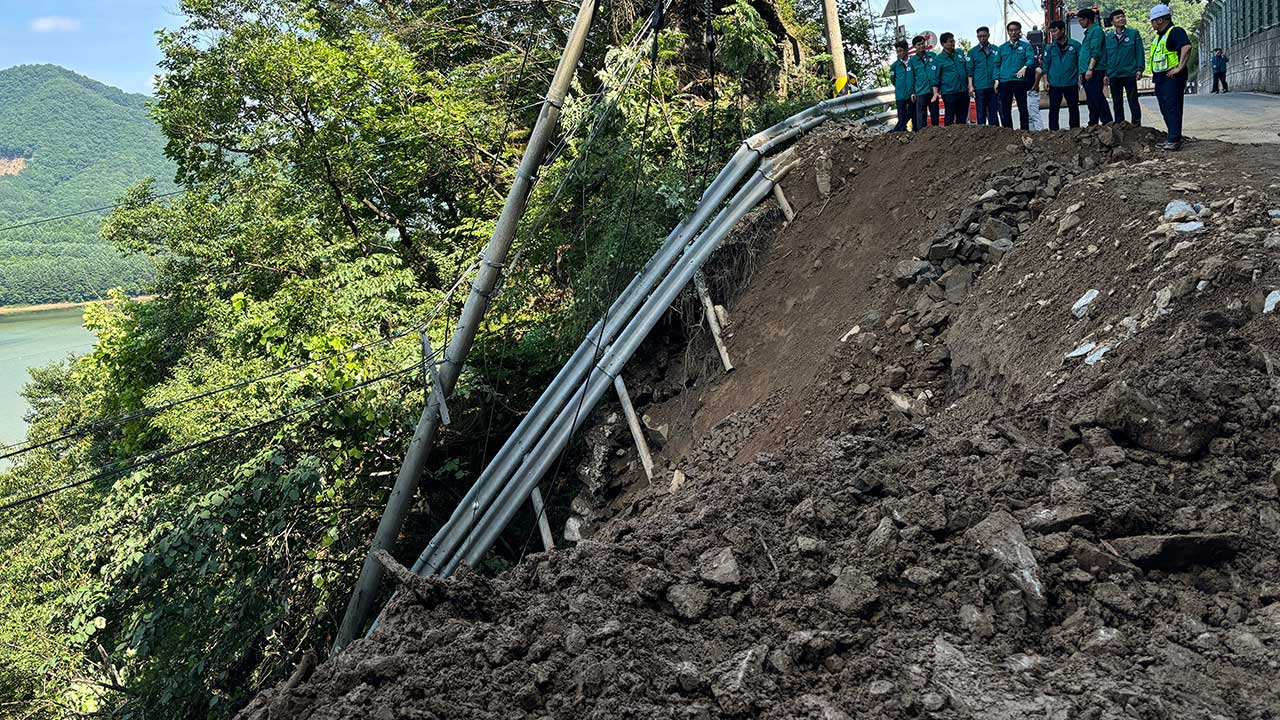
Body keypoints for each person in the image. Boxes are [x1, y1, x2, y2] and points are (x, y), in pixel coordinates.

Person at [1148, 3, 1192, 150]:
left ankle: (1174, 140)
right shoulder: (1160, 36)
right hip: (1161, 78)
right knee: (1165, 108)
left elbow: (1186, 47)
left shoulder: (1175, 31)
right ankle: (1172, 137)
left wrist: (1179, 67)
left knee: (1172, 107)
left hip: (1172, 78)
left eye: (1153, 20)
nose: (1152, 24)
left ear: (1160, 20)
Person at [1104, 9, 1144, 125]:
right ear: (1112, 22)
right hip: (1114, 74)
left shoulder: (1133, 34)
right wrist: (1106, 74)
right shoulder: (1108, 38)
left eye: (1122, 17)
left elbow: (1139, 52)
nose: (1121, 19)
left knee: (1133, 100)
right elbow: (1106, 56)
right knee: (1117, 102)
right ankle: (1119, 124)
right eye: (1118, 18)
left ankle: (1136, 125)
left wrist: (1140, 68)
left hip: (1129, 73)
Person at [1042, 21, 1082, 130]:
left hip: (1071, 82)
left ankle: (1075, 130)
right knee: (1054, 109)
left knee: (1073, 108)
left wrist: (1080, 77)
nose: (1053, 34)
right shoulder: (1049, 48)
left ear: (1063, 30)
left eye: (1055, 31)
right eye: (1051, 32)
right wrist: (1045, 81)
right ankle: (1053, 132)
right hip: (1054, 83)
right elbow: (1045, 66)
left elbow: (1080, 63)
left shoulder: (1075, 45)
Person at [996, 21, 1036, 130]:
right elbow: (996, 64)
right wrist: (996, 79)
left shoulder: (1026, 46)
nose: (1013, 32)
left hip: (1019, 81)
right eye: (1011, 30)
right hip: (1005, 81)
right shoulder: (1002, 48)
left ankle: (1024, 130)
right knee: (1005, 108)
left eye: (1016, 30)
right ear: (1008, 32)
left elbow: (1031, 59)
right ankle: (1008, 131)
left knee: (1022, 107)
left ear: (1019, 31)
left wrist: (1025, 67)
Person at [1077, 8, 1113, 126]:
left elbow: (1095, 52)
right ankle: (1093, 122)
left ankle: (1107, 120)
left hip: (1094, 70)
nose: (1080, 23)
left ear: (1087, 19)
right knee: (1091, 98)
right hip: (1086, 71)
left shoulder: (1096, 31)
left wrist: (1090, 69)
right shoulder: (1089, 32)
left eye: (1081, 20)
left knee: (1096, 95)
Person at [931, 32, 970, 125]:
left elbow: (966, 68)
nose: (953, 43)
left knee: (962, 117)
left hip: (963, 91)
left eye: (953, 41)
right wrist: (935, 93)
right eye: (950, 41)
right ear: (943, 44)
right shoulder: (939, 59)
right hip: (949, 92)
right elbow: (935, 77)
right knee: (949, 117)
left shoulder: (959, 53)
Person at [968, 26, 1000, 126]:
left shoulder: (996, 49)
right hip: (979, 86)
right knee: (980, 113)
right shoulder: (972, 52)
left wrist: (997, 80)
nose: (982, 39)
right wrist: (970, 86)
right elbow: (970, 71)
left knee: (993, 113)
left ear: (988, 35)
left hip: (993, 86)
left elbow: (999, 66)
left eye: (984, 36)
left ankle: (995, 134)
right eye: (979, 36)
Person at [909, 36, 938, 130]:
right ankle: (922, 135)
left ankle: (937, 133)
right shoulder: (912, 61)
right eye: (918, 44)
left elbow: (938, 72)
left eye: (922, 43)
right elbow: (911, 77)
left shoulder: (933, 56)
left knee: (935, 113)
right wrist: (912, 92)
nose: (921, 46)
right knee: (921, 115)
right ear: (914, 46)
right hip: (920, 91)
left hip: (933, 90)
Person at [889, 40, 916, 132]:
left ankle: (914, 133)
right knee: (901, 115)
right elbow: (893, 80)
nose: (899, 53)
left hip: (912, 94)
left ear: (906, 50)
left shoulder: (913, 62)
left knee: (913, 114)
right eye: (897, 52)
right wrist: (900, 87)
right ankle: (900, 132)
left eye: (901, 51)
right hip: (900, 95)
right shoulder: (894, 66)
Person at [1026, 55, 1044, 130]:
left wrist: (1035, 85)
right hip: (1029, 90)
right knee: (1030, 116)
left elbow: (1039, 71)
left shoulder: (1030, 59)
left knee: (1033, 115)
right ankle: (1034, 135)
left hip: (1030, 90)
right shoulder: (1031, 58)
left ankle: (1040, 134)